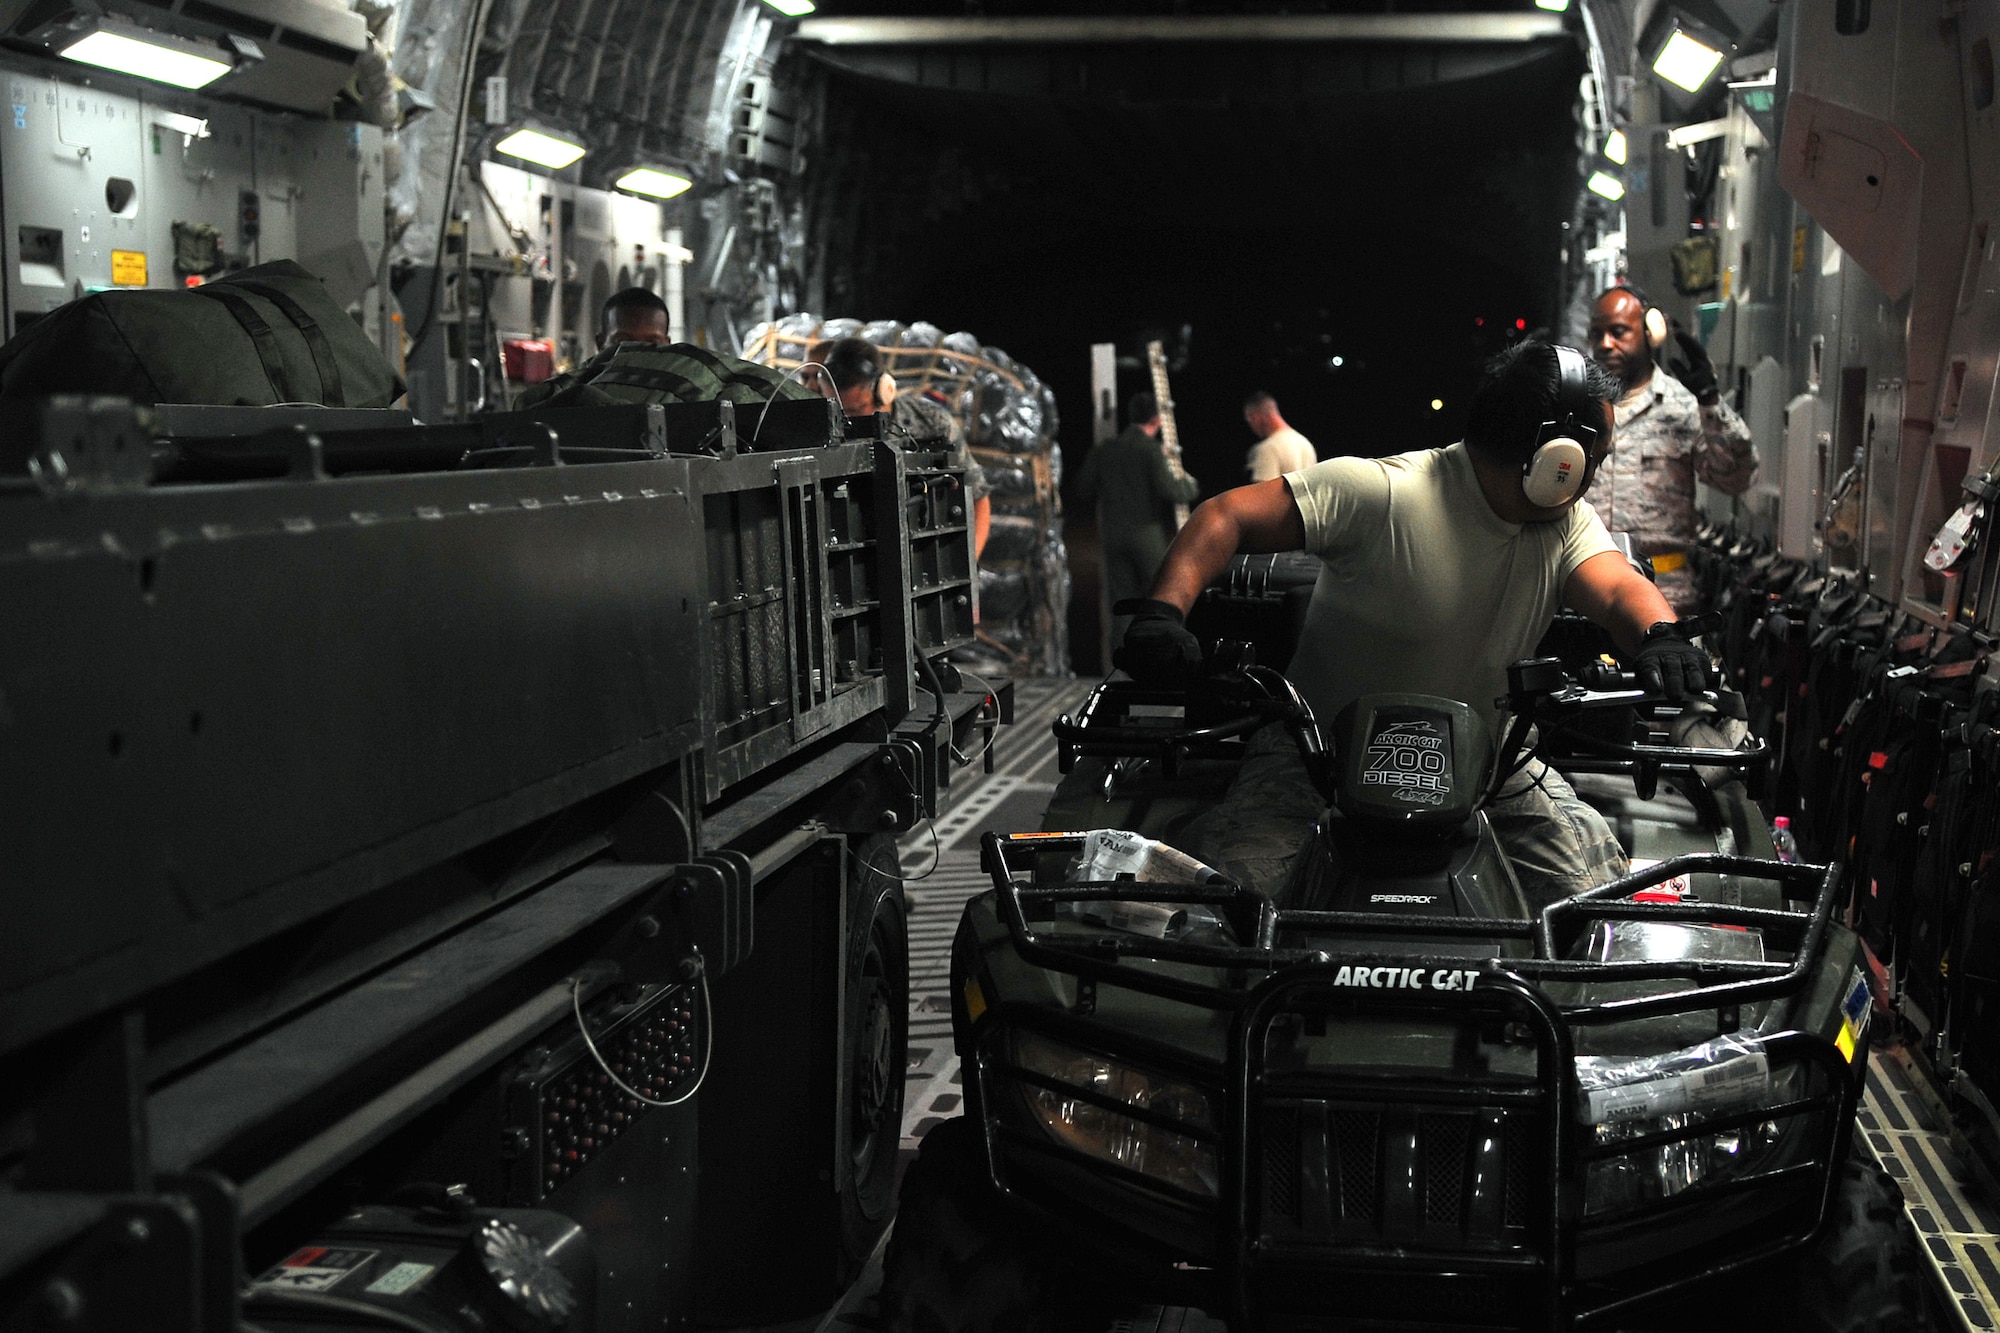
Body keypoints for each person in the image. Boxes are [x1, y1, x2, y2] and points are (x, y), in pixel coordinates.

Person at [1117, 341, 1710, 910]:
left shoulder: (1563, 523)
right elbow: (1226, 516)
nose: (1594, 473)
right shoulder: (1383, 494)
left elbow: (1618, 587)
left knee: (1583, 906)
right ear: (1560, 461)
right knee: (1236, 911)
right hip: (1316, 756)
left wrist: (1664, 637)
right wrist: (1162, 614)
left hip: (1490, 763)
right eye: (1594, 458)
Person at [1586, 286, 1758, 615]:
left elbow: (1737, 477)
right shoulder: (1580, 405)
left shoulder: (1682, 405)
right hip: (1586, 593)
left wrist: (1709, 401)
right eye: (1597, 334)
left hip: (1664, 597)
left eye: (1618, 332)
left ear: (1651, 332)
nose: (1605, 344)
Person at [811, 337, 991, 558]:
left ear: (883, 390)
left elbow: (978, 496)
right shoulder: (823, 435)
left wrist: (967, 560)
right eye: (839, 412)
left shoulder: (933, 425)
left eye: (855, 410)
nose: (846, 421)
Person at [513, 293, 814, 411]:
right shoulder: (574, 389)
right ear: (600, 342)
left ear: (668, 344)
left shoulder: (688, 374)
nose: (638, 351)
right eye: (623, 341)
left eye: (653, 342)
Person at [1076, 391, 1202, 647]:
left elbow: (1082, 488)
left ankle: (1122, 666)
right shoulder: (1151, 451)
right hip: (1146, 536)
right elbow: (1173, 491)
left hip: (1113, 536)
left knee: (1121, 603)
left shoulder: (1105, 450)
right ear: (1156, 420)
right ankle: (1162, 657)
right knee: (1160, 599)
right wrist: (1190, 484)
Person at [1242, 391, 1318, 481]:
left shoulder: (1268, 448)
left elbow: (1264, 492)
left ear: (1256, 417)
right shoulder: (1305, 443)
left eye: (1250, 420)